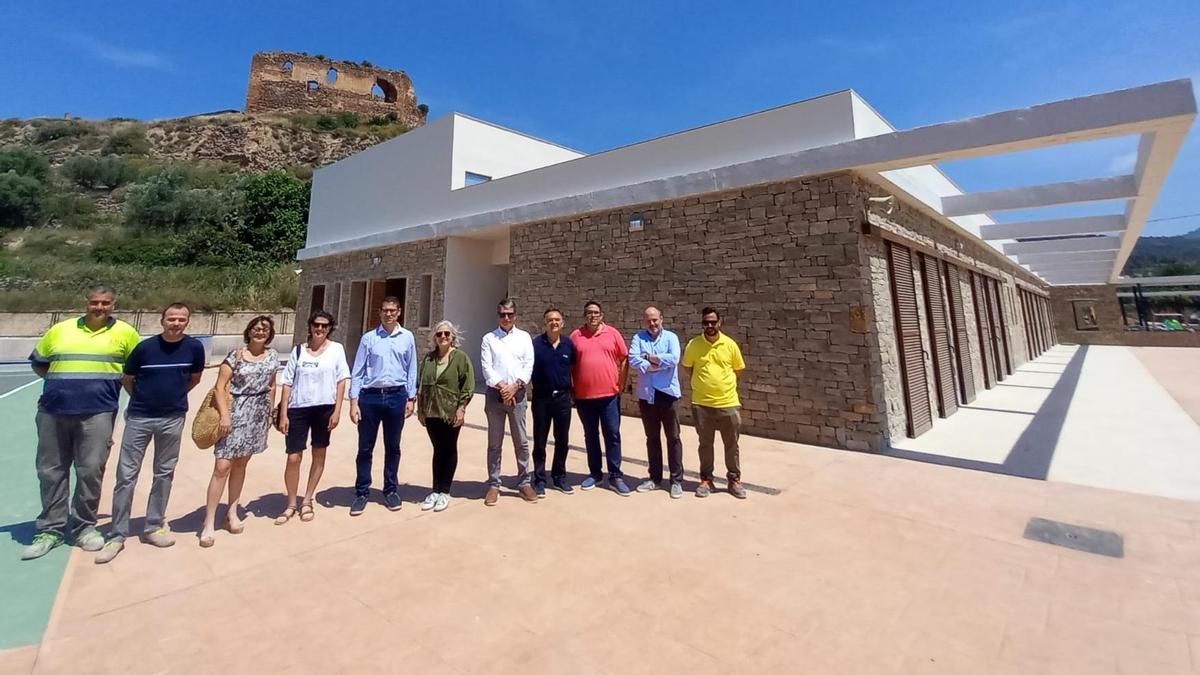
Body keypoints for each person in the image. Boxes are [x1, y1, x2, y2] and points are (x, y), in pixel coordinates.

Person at [22, 286, 141, 561]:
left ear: (114, 304)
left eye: (105, 303)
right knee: (51, 471)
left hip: (98, 413)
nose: (99, 307)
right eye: (95, 302)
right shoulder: (60, 330)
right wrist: (62, 385)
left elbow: (136, 371)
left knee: (90, 471)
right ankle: (50, 530)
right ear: (86, 303)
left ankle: (84, 527)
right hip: (53, 412)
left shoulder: (126, 333)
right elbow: (39, 363)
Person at [94, 303, 205, 564]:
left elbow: (195, 378)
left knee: (164, 472)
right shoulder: (145, 348)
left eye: (181, 319)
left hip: (173, 418)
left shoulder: (194, 348)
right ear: (161, 320)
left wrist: (173, 398)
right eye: (171, 319)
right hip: (140, 417)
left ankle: (154, 525)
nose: (176, 323)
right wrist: (142, 399)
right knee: (126, 475)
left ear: (187, 322)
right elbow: (128, 378)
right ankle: (117, 533)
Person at [199, 316, 279, 546]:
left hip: (257, 414)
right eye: (256, 328)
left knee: (242, 464)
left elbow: (272, 385)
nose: (260, 332)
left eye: (264, 329)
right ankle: (209, 521)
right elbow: (220, 387)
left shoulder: (272, 356)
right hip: (235, 411)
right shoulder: (235, 356)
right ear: (249, 331)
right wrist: (225, 415)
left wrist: (270, 412)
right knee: (222, 466)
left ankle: (232, 512)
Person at [274, 310, 349, 525]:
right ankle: (291, 503)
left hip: (324, 407)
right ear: (310, 326)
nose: (320, 329)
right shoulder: (299, 351)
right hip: (299, 408)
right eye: (317, 325)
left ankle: (307, 499)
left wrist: (337, 410)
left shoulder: (336, 350)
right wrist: (284, 413)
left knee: (319, 452)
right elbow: (287, 382)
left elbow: (341, 379)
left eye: (325, 326)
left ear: (329, 329)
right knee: (293, 456)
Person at [348, 296, 418, 516]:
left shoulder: (407, 337)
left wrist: (411, 398)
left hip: (396, 396)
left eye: (393, 310)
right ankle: (362, 491)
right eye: (385, 310)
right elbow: (358, 370)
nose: (389, 314)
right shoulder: (369, 339)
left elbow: (411, 369)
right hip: (370, 397)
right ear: (380, 312)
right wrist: (353, 401)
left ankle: (390, 489)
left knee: (393, 447)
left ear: (399, 312)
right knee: (365, 448)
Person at [681, 307, 747, 499]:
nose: (709, 326)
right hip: (702, 404)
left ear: (720, 323)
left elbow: (738, 370)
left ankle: (734, 480)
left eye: (713, 322)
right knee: (705, 444)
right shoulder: (694, 344)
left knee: (732, 445)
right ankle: (706, 480)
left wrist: (722, 386)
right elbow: (688, 368)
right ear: (702, 323)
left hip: (728, 403)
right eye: (706, 322)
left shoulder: (730, 344)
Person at [570, 301, 631, 496]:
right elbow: (569, 363)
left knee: (612, 434)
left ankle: (615, 475)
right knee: (591, 436)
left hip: (609, 396)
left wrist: (621, 384)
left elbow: (624, 359)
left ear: (602, 315)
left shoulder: (612, 333)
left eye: (596, 313)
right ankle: (595, 474)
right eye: (589, 312)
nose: (593, 316)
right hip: (584, 397)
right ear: (584, 315)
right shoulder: (575, 336)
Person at [480, 298, 536, 506]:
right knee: (494, 443)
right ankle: (494, 484)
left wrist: (515, 386)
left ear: (516, 316)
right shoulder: (489, 338)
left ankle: (524, 482)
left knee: (521, 441)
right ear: (498, 315)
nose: (506, 318)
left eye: (510, 314)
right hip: (495, 396)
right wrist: (503, 387)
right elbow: (487, 367)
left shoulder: (524, 337)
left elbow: (528, 364)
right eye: (503, 314)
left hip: (518, 395)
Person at [416, 320, 474, 512]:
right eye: (440, 334)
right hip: (432, 411)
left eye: (447, 334)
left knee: (449, 449)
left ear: (453, 338)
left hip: (450, 412)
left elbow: (467, 385)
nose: (443, 337)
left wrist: (461, 408)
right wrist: (421, 409)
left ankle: (445, 491)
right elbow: (422, 383)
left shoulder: (460, 358)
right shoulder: (429, 359)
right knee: (437, 449)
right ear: (435, 337)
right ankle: (435, 490)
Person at [628, 306, 685, 499]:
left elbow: (674, 359)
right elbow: (633, 359)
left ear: (661, 318)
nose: (652, 323)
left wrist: (649, 359)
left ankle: (676, 481)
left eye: (655, 320)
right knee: (652, 439)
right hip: (647, 396)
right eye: (648, 320)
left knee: (673, 438)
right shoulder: (638, 338)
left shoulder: (671, 338)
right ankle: (655, 478)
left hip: (668, 395)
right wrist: (655, 365)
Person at [530, 308, 577, 496]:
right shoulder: (535, 345)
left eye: (557, 319)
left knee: (562, 440)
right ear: (545, 323)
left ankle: (559, 477)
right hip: (542, 399)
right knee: (540, 440)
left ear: (562, 323)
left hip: (563, 399)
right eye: (550, 320)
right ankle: (540, 479)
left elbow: (574, 367)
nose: (554, 323)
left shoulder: (568, 345)